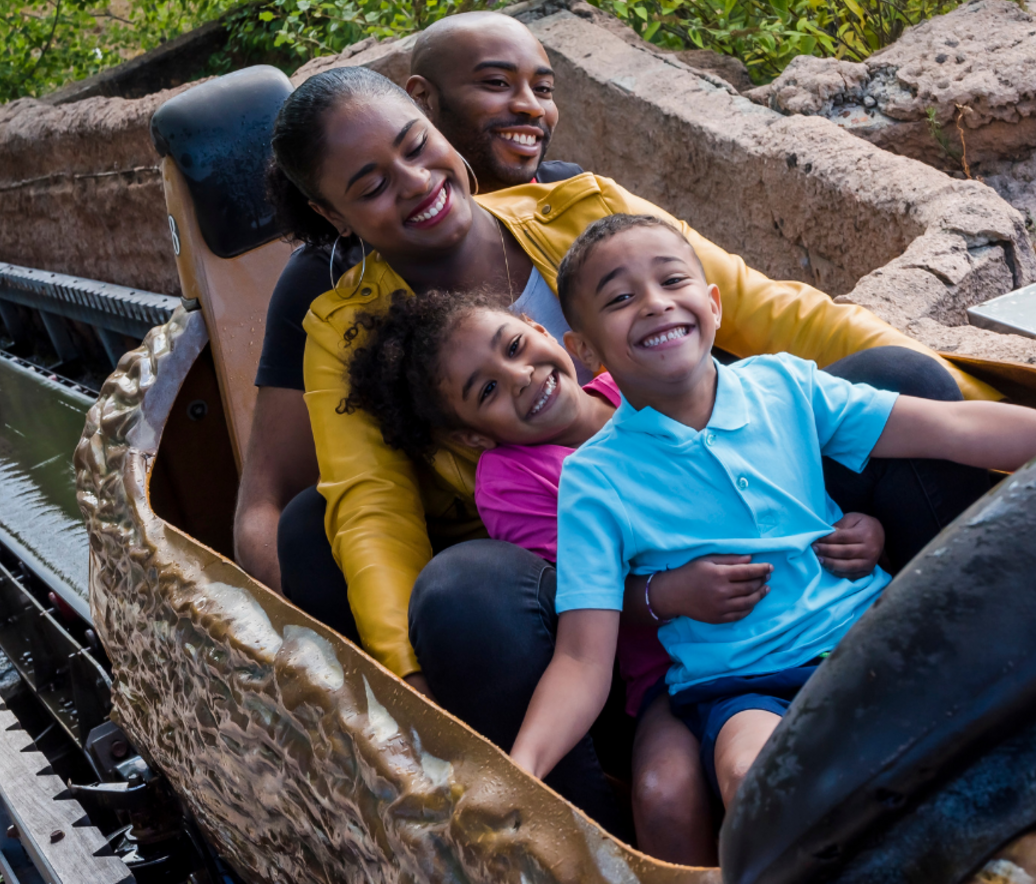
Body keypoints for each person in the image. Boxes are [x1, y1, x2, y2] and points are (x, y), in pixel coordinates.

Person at [264, 64, 997, 820]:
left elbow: (771, 312)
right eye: (373, 186)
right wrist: (415, 695)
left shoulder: (582, 210)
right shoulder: (347, 331)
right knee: (452, 590)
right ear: (333, 212)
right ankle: (571, 835)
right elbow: (372, 512)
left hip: (730, 524)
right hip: (567, 595)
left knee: (900, 377)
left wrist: (986, 404)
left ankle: (998, 647)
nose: (416, 182)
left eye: (417, 148)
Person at [509, 215, 1036, 808]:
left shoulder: (782, 385)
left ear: (713, 304)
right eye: (621, 298)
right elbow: (580, 659)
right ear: (584, 351)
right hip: (745, 688)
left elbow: (954, 428)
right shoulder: (594, 479)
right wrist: (520, 769)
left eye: (672, 281)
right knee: (756, 777)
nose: (655, 304)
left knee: (1016, 677)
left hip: (872, 630)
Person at [341, 291, 888, 863]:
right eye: (488, 390)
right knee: (664, 795)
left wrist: (860, 527)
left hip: (801, 617)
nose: (522, 377)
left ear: (543, 330)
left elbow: (769, 466)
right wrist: (669, 593)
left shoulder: (638, 384)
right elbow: (583, 596)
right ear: (472, 436)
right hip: (669, 669)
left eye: (516, 346)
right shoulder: (515, 479)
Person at [232, 11, 580, 588]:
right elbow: (305, 502)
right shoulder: (331, 296)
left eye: (542, 89)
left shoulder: (569, 203)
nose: (526, 108)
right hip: (503, 569)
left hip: (640, 491)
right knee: (314, 527)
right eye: (494, 85)